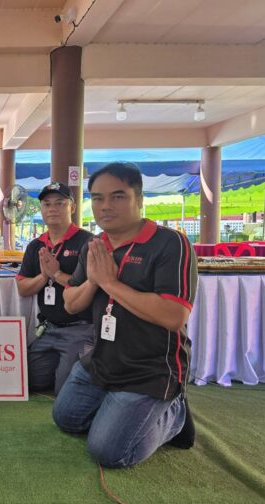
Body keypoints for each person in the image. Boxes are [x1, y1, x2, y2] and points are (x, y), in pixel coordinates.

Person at [55, 162, 197, 468]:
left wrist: (110, 283)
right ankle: (119, 410)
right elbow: (70, 304)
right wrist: (94, 281)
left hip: (149, 370)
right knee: (65, 418)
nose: (105, 206)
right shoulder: (94, 246)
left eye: (117, 196)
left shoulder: (170, 243)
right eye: (97, 198)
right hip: (101, 361)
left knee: (109, 452)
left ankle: (175, 415)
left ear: (139, 199)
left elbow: (174, 316)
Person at [16, 183, 94, 394]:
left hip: (81, 328)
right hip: (49, 328)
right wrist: (44, 276)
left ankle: (80, 364)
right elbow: (22, 287)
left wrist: (57, 274)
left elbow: (92, 287)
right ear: (41, 209)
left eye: (60, 203)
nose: (52, 209)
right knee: (25, 380)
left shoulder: (88, 242)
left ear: (72, 207)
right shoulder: (35, 245)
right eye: (47, 204)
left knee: (66, 390)